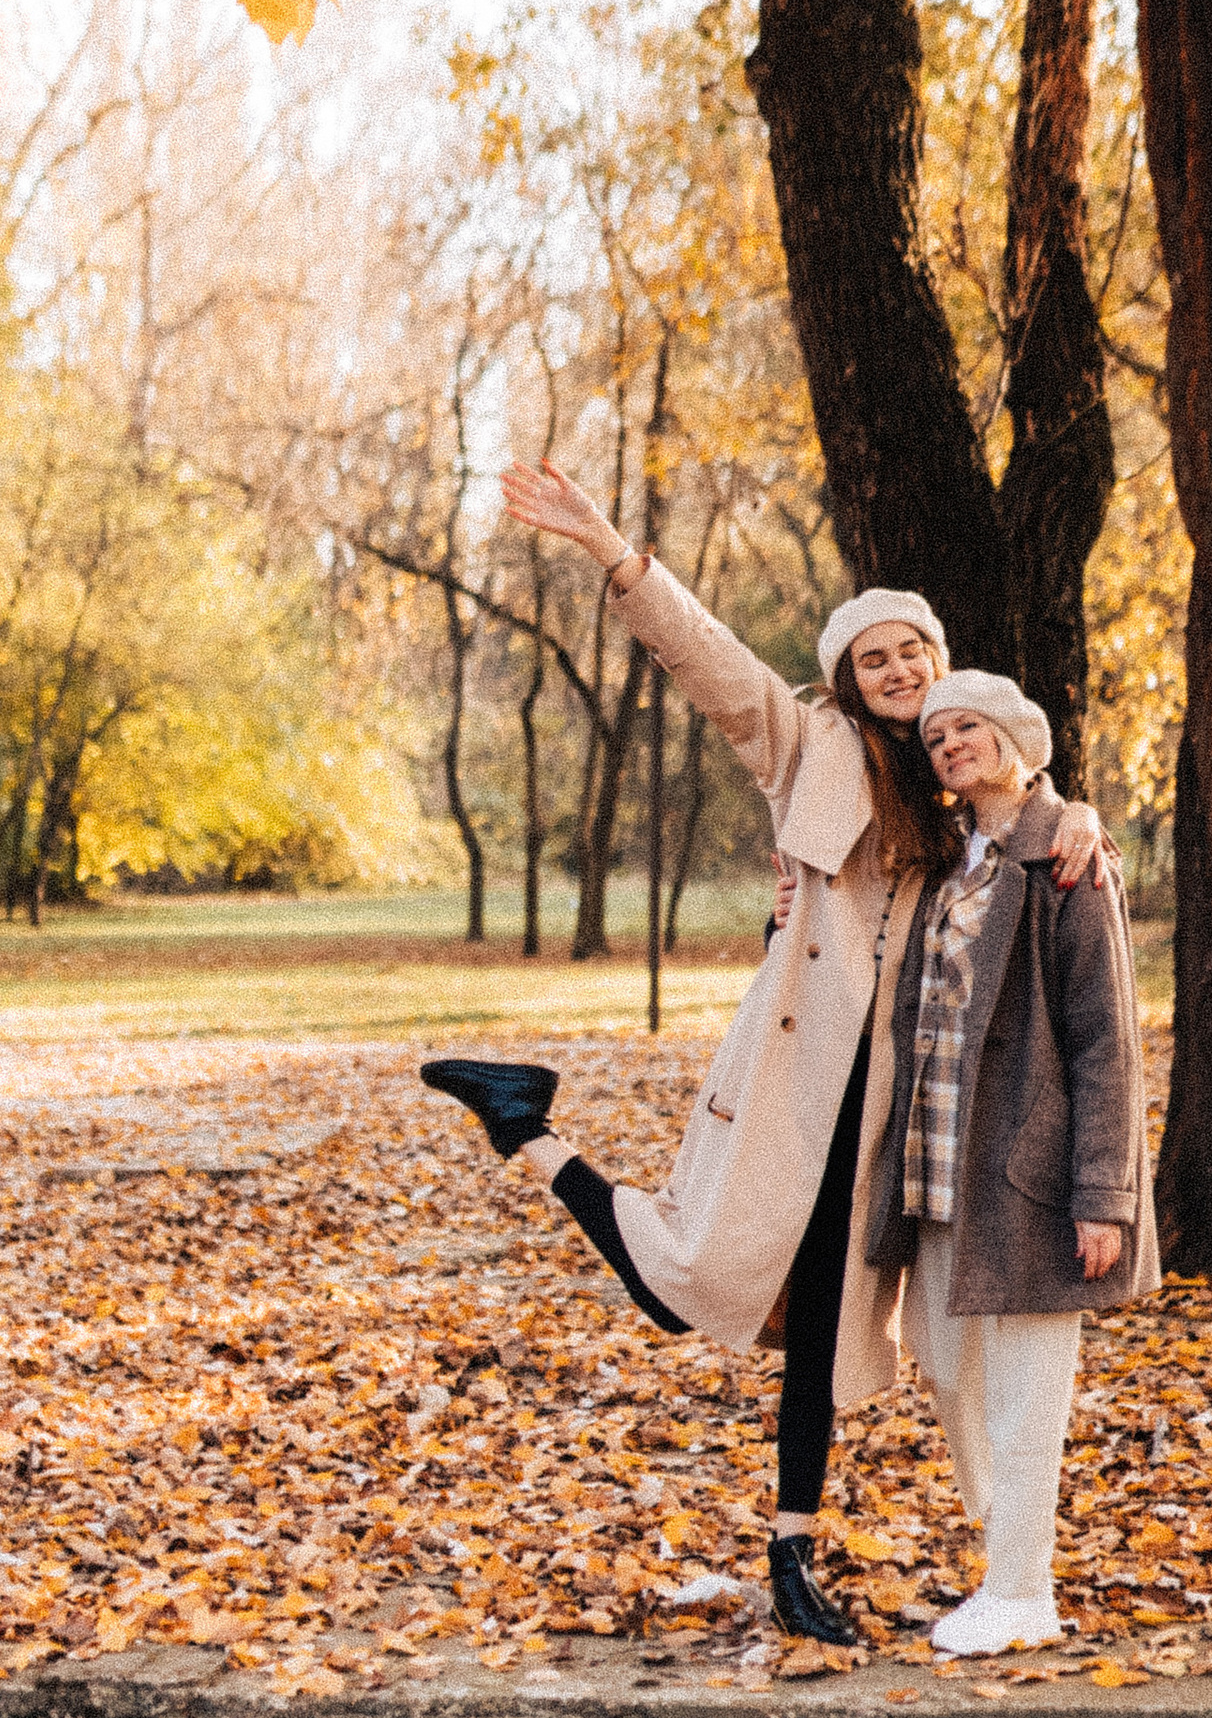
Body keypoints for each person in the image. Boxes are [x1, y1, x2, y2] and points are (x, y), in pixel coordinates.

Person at [418, 457, 1114, 1646]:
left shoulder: (961, 779)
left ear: (942, 669)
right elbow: (705, 658)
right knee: (682, 1284)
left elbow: (1021, 810)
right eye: (874, 658)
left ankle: (792, 1555)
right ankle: (523, 1125)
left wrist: (1076, 813)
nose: (898, 674)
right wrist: (604, 545)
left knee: (819, 1327)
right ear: (847, 675)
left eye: (914, 654)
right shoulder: (809, 743)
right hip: (796, 1082)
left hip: (894, 1112)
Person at [866, 670, 1158, 1657]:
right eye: (935, 733)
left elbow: (1104, 1039)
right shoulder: (945, 862)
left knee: (1028, 1391)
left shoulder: (1069, 863)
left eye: (967, 726)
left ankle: (1021, 1588)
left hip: (1029, 1174)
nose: (948, 741)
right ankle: (1008, 1554)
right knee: (947, 1371)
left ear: (1012, 735)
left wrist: (1102, 1193)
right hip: (938, 1168)